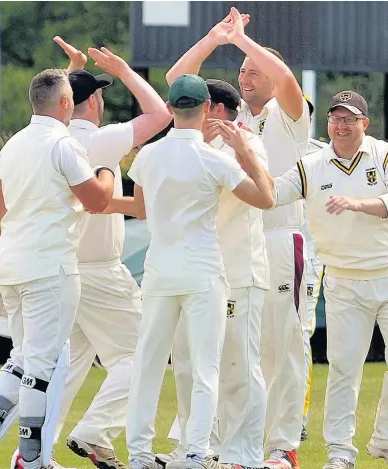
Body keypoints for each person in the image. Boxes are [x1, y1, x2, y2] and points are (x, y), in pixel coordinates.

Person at [165, 8, 310, 469]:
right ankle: (217, 446)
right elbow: (177, 78)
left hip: (283, 236)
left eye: (255, 70)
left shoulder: (291, 115)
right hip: (233, 240)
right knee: (227, 349)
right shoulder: (235, 114)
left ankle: (282, 446)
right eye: (242, 70)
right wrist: (214, 39)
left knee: (282, 346)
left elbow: (284, 75)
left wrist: (245, 41)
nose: (246, 75)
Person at [0, 68, 115, 469]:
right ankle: (31, 458)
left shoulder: (13, 144)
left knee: (22, 357)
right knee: (42, 365)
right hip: (50, 266)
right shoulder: (63, 145)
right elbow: (97, 201)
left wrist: (14, 242)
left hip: (12, 264)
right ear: (66, 103)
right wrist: (107, 173)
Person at [125, 74, 274, 469]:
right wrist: (245, 152)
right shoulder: (214, 158)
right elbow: (266, 197)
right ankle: (194, 452)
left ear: (171, 109)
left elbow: (140, 209)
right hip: (203, 272)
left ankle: (139, 454)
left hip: (159, 271)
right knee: (206, 367)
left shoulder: (148, 156)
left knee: (149, 363)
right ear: (207, 108)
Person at [43, 39, 169, 469]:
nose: (101, 98)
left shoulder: (51, 139)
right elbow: (161, 114)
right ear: (92, 101)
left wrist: (70, 69)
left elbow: (46, 102)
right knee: (146, 351)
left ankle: (37, 455)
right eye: (98, 93)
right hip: (99, 271)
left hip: (62, 269)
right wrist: (125, 71)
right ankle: (95, 432)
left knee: (68, 368)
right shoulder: (100, 140)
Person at [273, 90, 388, 469]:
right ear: (328, 124)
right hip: (344, 282)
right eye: (336, 119)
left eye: (349, 119)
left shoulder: (387, 155)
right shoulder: (311, 166)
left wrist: (357, 204)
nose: (341, 125)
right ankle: (339, 452)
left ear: (363, 124)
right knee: (344, 369)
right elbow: (271, 193)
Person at [300, 95, 329, 442]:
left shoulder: (321, 157)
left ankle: (299, 415)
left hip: (306, 257)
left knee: (298, 337)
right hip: (261, 254)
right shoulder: (260, 145)